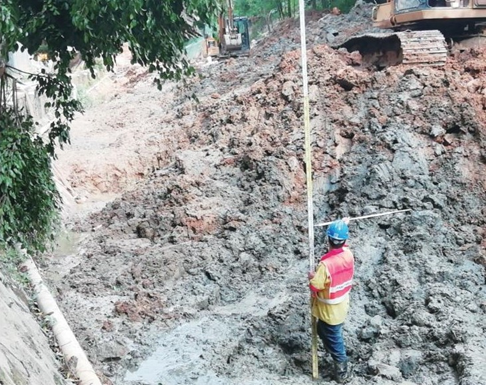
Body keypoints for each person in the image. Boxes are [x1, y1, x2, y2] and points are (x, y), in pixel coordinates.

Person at [308, 218, 354, 383]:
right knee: (322, 330)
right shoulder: (348, 255)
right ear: (344, 241)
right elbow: (344, 246)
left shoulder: (325, 265)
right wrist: (343, 225)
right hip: (341, 305)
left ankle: (342, 372)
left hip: (329, 310)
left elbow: (315, 287)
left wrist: (313, 278)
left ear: (328, 239)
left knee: (334, 339)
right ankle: (334, 355)